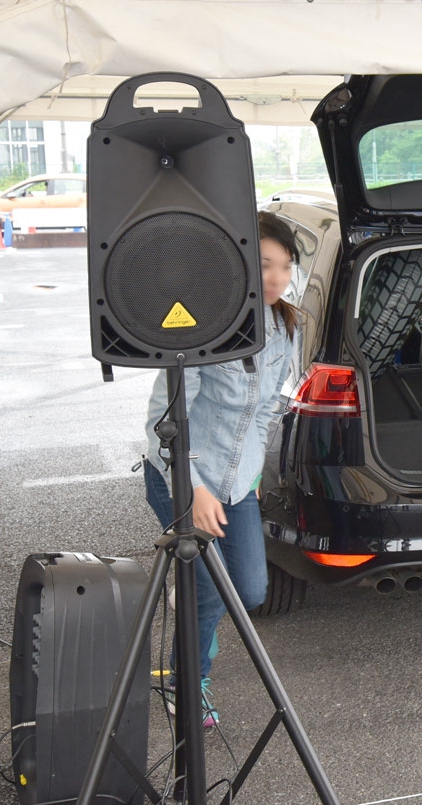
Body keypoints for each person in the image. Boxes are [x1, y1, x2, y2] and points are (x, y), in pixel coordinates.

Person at [142, 210, 300, 727]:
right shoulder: (200, 323)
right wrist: (194, 489)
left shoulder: (285, 326)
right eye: (265, 264)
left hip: (237, 484)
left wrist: (249, 478)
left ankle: (189, 592)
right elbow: (164, 420)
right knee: (211, 589)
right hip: (180, 475)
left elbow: (268, 410)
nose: (276, 277)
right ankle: (186, 682)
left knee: (250, 590)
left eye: (285, 265)